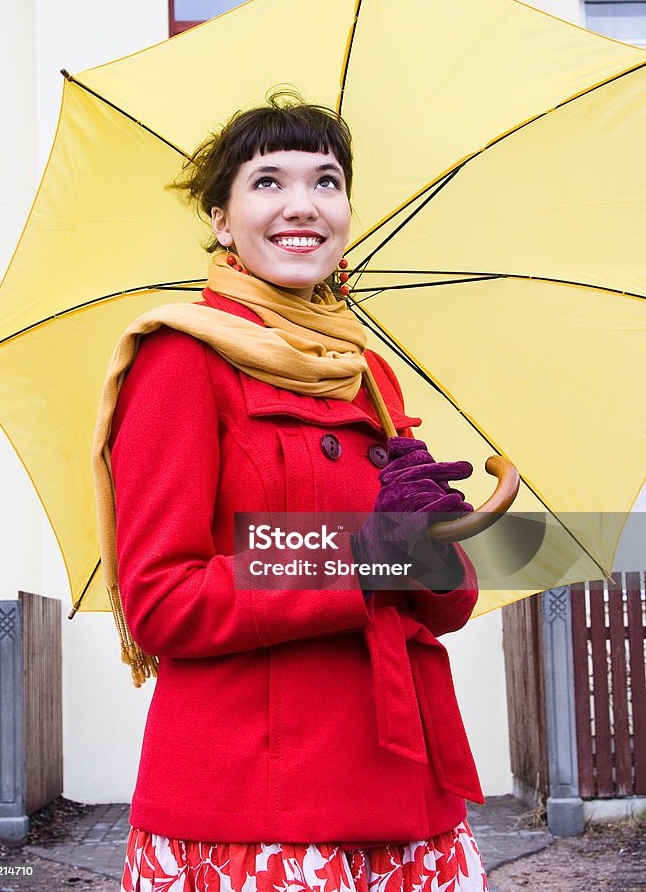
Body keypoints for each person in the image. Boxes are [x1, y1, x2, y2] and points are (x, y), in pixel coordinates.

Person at [92, 91, 490, 892]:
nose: (302, 205)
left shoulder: (364, 371)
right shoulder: (182, 360)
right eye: (267, 182)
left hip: (408, 801)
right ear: (220, 219)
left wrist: (433, 540)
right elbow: (161, 599)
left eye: (326, 181)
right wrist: (364, 554)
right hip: (261, 818)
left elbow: (440, 606)